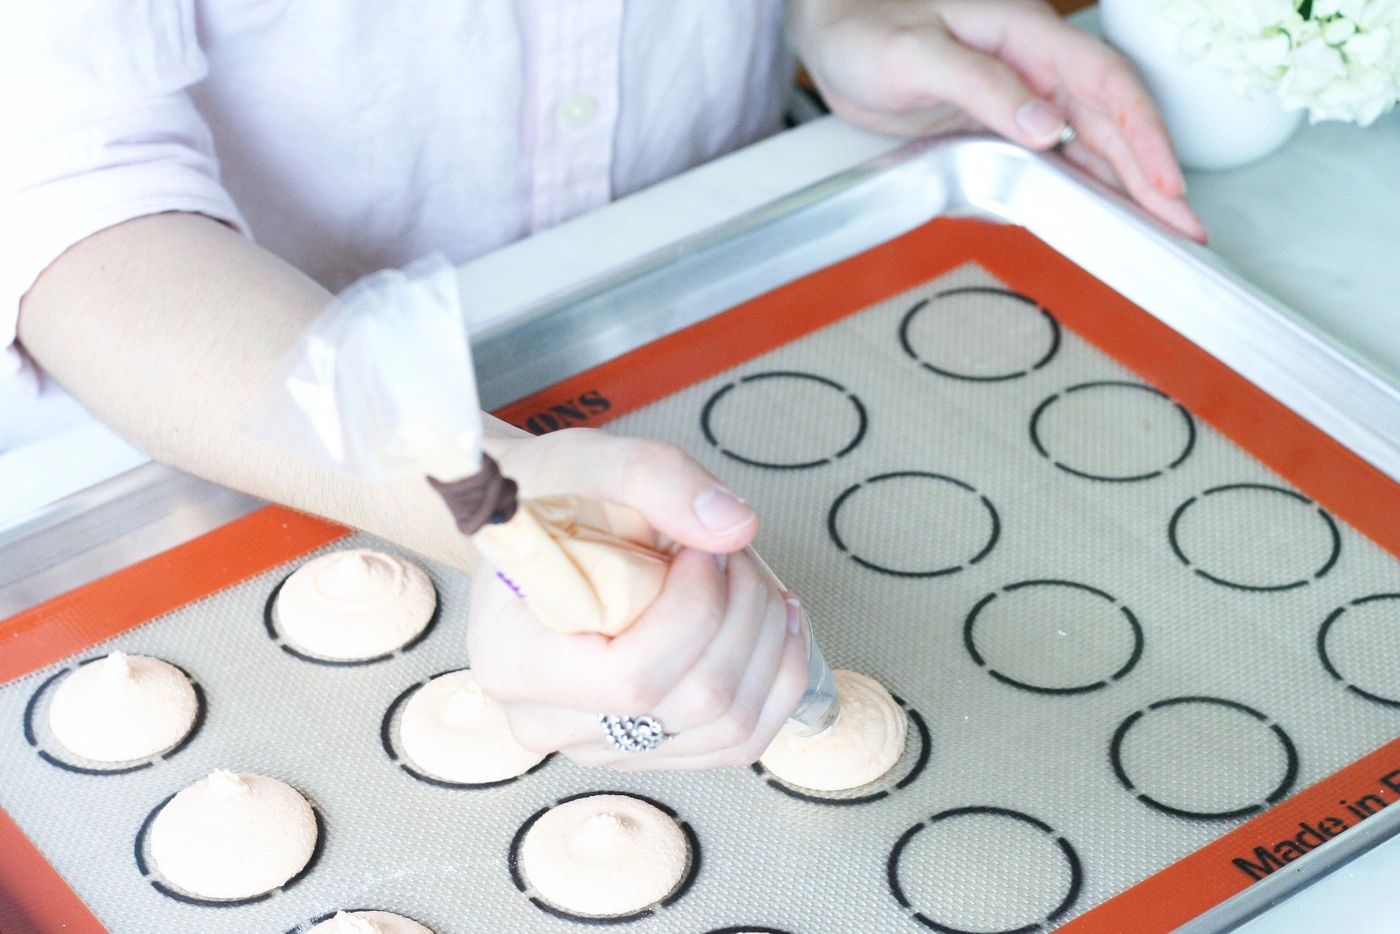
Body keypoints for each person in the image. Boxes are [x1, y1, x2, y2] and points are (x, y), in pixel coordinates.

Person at [3, 0, 1204, 772]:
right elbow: (70, 203)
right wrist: (498, 504)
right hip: (235, 437)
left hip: (722, 292)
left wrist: (832, 13)